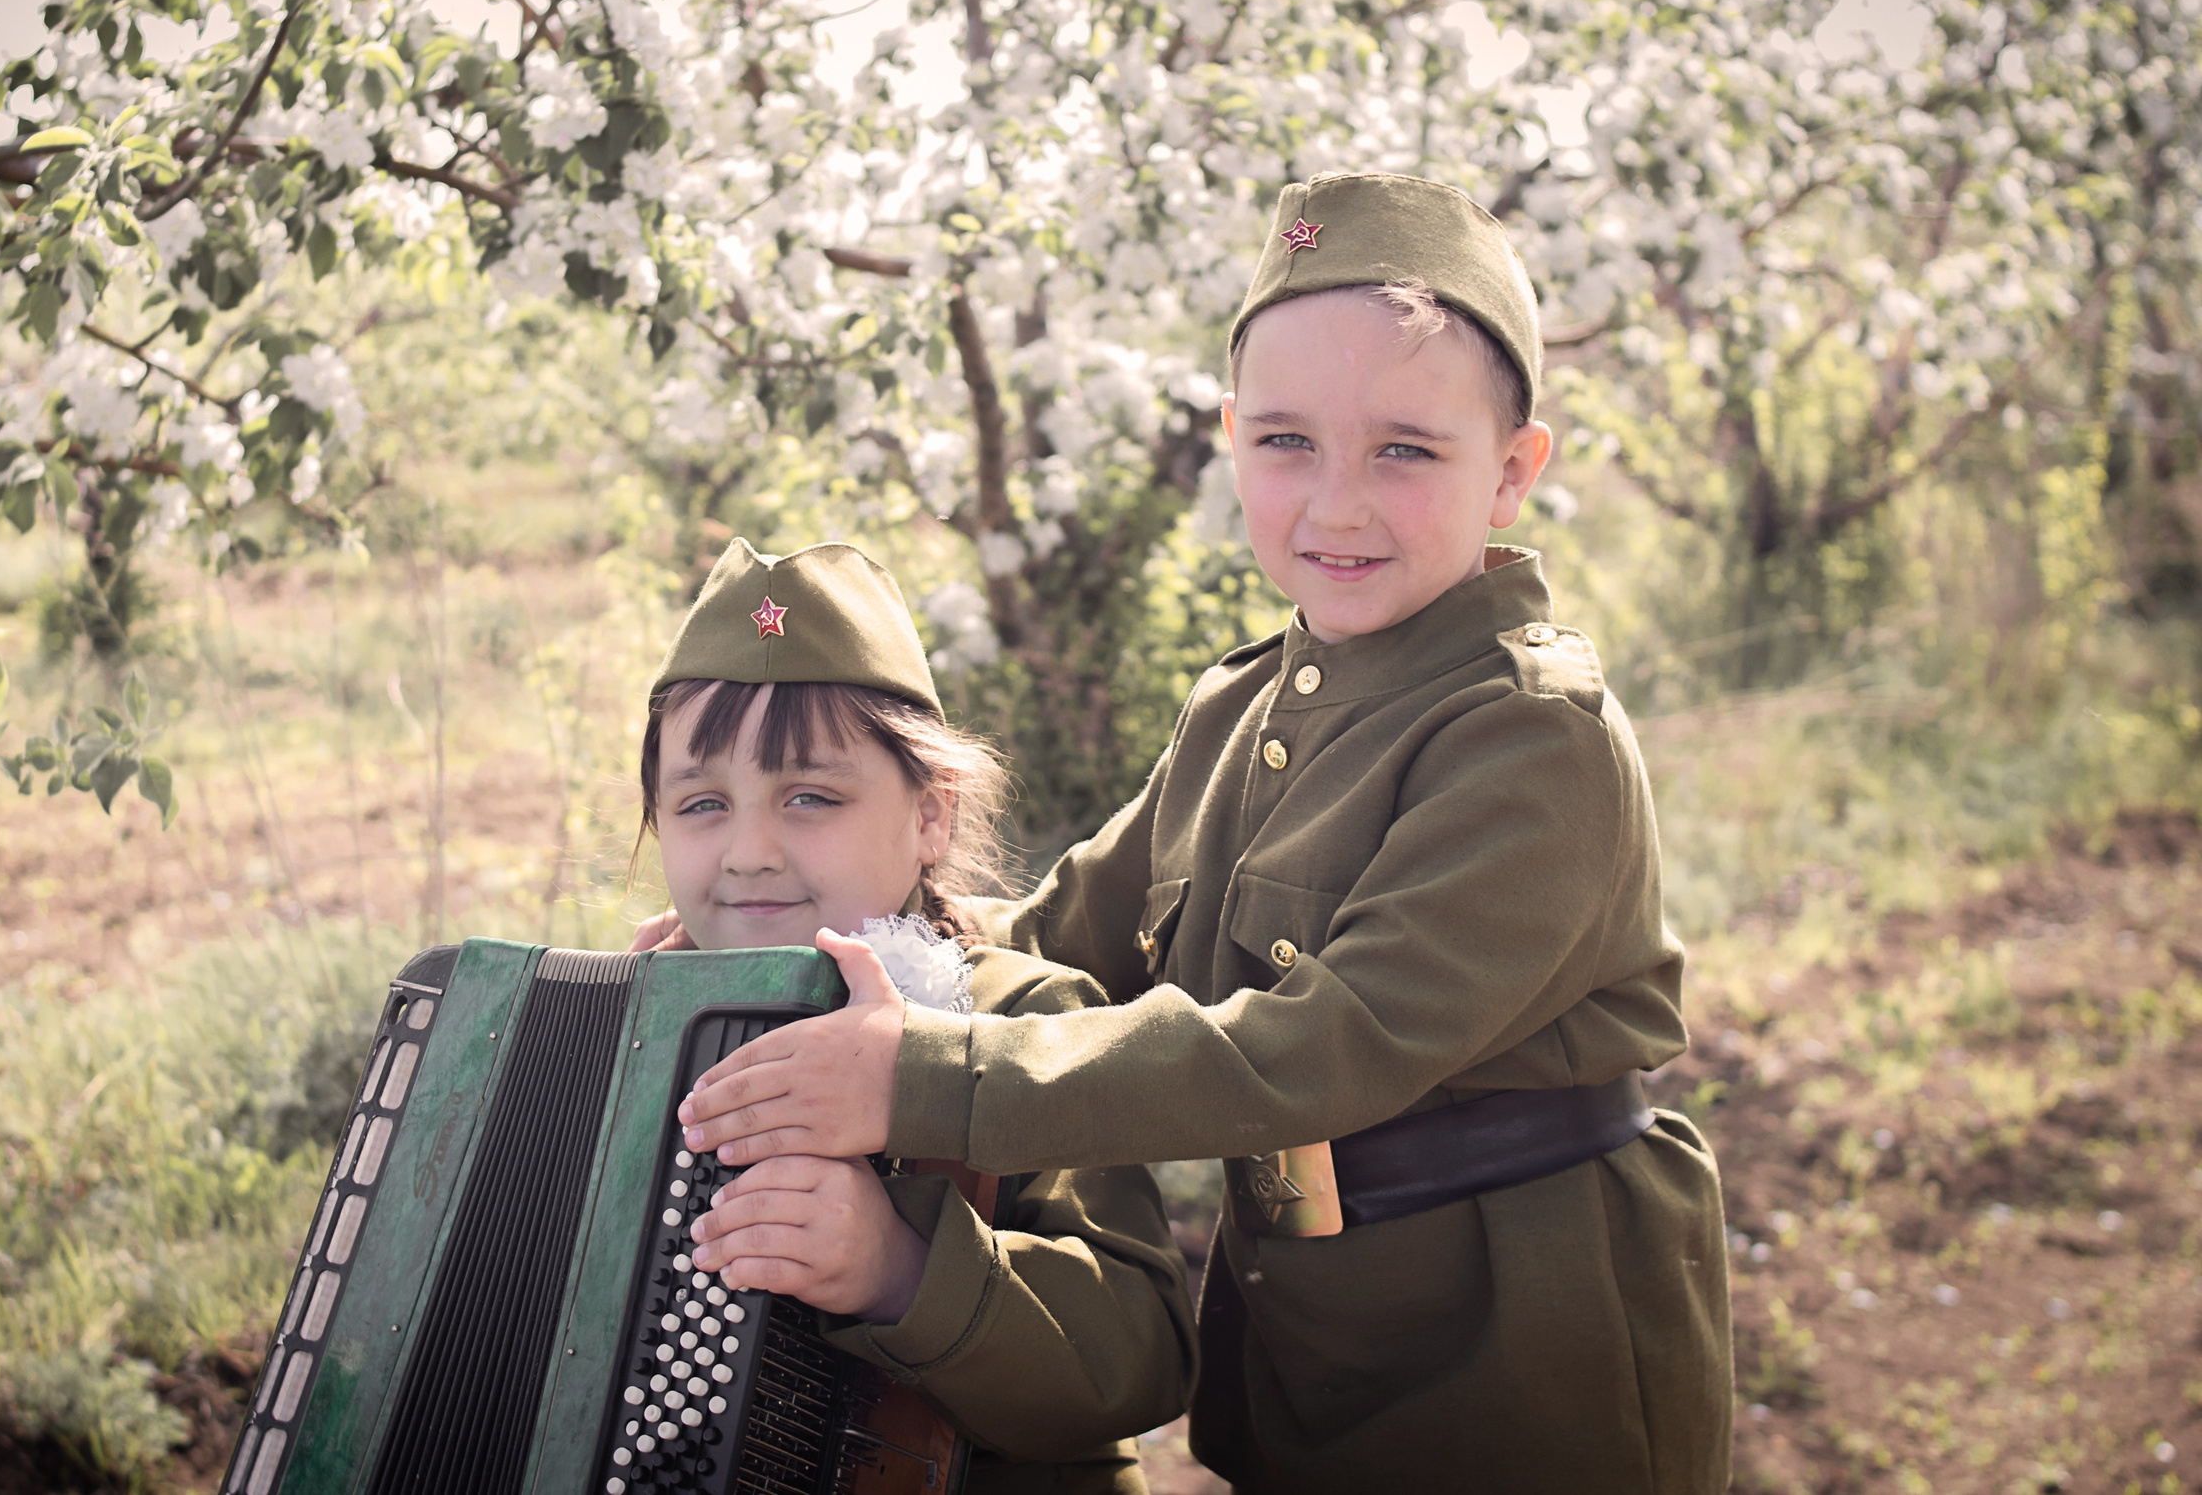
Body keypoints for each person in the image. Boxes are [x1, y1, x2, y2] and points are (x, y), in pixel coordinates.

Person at [672, 174, 1735, 1493]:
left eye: (1406, 448)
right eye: (1287, 442)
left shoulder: (1533, 736)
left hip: (1518, 1349)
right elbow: (1055, 933)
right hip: (1308, 1330)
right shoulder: (1245, 705)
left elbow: (1319, 1048)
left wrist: (922, 1077)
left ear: (1513, 471)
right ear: (1232, 441)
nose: (1335, 503)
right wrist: (798, 953)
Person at [637, 537, 1198, 1495]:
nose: (749, 851)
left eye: (809, 795)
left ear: (930, 816)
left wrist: (901, 1268)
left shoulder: (1019, 1019)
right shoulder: (620, 1035)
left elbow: (1138, 1355)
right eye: (701, 804)